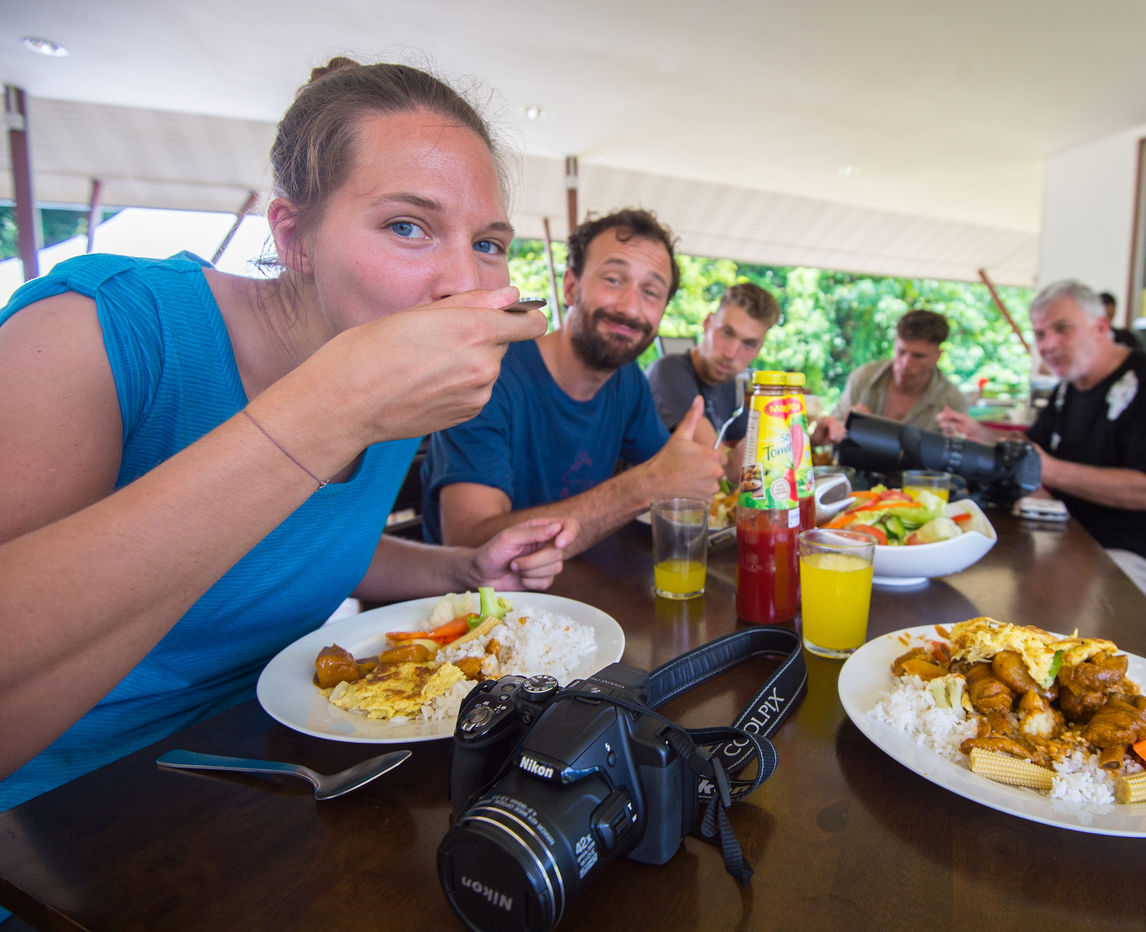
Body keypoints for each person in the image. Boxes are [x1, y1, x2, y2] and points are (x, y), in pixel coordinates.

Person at [0, 60, 579, 818]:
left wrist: (459, 568)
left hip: (291, 768)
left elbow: (298, 542)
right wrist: (333, 407)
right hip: (55, 825)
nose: (464, 285)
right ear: (294, 237)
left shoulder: (396, 367)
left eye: (490, 243)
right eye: (408, 226)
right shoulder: (97, 332)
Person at [423, 208, 725, 555]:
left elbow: (669, 472)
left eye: (651, 292)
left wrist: (700, 466)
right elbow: (469, 543)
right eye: (613, 279)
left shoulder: (627, 382)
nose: (630, 307)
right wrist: (647, 485)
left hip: (583, 586)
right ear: (570, 286)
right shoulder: (488, 377)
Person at [939, 280, 1146, 601]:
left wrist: (1046, 469)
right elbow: (1033, 448)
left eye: (1062, 329)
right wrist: (982, 434)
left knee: (1031, 596)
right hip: (1077, 541)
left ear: (1101, 327)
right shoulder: (1067, 389)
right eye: (1040, 334)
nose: (1048, 344)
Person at [645, 281, 780, 479]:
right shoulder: (668, 372)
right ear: (708, 322)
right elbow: (722, 468)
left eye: (748, 344)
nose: (731, 353)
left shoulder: (731, 386)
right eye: (726, 333)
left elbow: (749, 454)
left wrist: (808, 440)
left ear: (759, 349)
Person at [810, 309, 968, 445]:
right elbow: (832, 430)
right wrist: (844, 424)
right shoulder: (863, 378)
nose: (905, 363)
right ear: (894, 345)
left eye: (918, 356)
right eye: (901, 352)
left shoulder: (951, 401)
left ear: (937, 356)